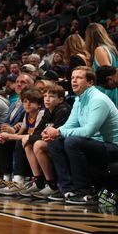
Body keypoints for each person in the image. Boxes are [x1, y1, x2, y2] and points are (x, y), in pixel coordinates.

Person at [43, 67, 118, 204]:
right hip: (95, 143)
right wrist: (52, 131)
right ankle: (67, 189)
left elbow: (87, 131)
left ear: (90, 82)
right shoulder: (79, 99)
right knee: (55, 142)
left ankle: (84, 192)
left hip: (113, 146)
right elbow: (70, 124)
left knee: (72, 142)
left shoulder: (98, 100)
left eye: (78, 78)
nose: (74, 81)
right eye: (72, 78)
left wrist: (58, 131)